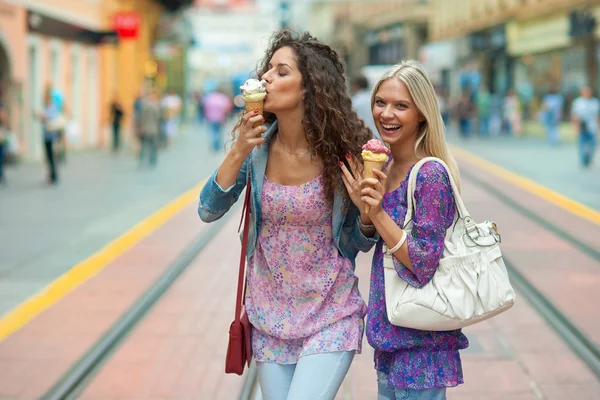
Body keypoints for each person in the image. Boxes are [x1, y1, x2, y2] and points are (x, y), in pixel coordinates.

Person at [198, 29, 377, 399]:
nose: (266, 77)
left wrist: (365, 216)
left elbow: (354, 243)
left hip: (330, 313)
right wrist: (237, 152)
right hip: (269, 318)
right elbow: (207, 210)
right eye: (268, 70)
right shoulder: (257, 150)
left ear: (310, 87)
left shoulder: (342, 154)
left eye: (282, 72)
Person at [340, 60, 468, 400]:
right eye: (380, 102)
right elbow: (363, 243)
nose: (387, 114)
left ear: (422, 114)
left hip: (422, 345)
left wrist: (378, 212)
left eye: (401, 106)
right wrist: (365, 212)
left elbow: (423, 263)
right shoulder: (387, 166)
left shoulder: (429, 176)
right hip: (392, 337)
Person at [571, 85, 599, 168]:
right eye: (585, 91)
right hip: (582, 126)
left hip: (592, 126)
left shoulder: (595, 102)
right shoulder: (578, 102)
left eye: (588, 91)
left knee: (592, 145)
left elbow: (597, 116)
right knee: (582, 145)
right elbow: (575, 116)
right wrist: (575, 126)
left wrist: (598, 128)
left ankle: (589, 159)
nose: (587, 93)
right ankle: (583, 160)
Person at [202, 87, 233, 151]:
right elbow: (227, 108)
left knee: (212, 132)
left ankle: (214, 145)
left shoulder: (209, 97)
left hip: (210, 117)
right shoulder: (223, 98)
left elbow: (205, 107)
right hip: (220, 118)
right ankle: (217, 145)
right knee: (219, 132)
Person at [351, 74, 380, 140]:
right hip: (379, 137)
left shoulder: (355, 101)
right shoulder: (375, 98)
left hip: (363, 138)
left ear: (356, 86)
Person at [138, 89, 161, 167]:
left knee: (144, 146)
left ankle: (142, 161)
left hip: (145, 129)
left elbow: (141, 118)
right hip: (153, 129)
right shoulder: (156, 106)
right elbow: (158, 118)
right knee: (153, 147)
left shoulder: (144, 106)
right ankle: (152, 162)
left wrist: (140, 127)